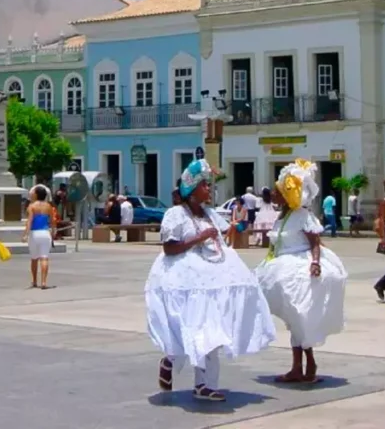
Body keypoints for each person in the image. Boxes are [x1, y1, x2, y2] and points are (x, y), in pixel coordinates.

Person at [146, 159, 276, 402]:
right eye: (204, 185)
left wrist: (236, 228)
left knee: (212, 327)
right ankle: (170, 359)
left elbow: (225, 233)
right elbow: (170, 248)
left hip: (212, 279)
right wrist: (200, 237)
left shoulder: (210, 214)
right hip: (185, 280)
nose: (209, 189)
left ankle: (204, 384)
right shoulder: (176, 214)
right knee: (189, 327)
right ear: (192, 190)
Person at [256, 160, 347, 383]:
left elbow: (315, 242)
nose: (274, 196)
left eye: (277, 192)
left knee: (299, 317)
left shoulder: (303, 216)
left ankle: (305, 365)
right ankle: (302, 366)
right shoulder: (283, 216)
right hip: (282, 268)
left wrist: (315, 263)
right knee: (294, 320)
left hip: (299, 270)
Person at [23, 185, 56, 289]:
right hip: (45, 233)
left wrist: (25, 234)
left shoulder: (32, 206)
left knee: (34, 258)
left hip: (34, 233)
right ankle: (44, 282)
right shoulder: (48, 206)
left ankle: (34, 281)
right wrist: (53, 232)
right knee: (44, 258)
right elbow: (52, 221)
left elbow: (30, 221)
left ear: (36, 194)